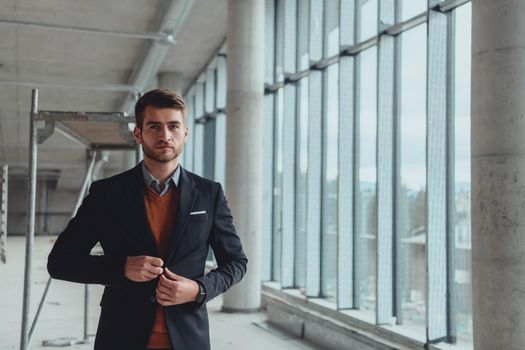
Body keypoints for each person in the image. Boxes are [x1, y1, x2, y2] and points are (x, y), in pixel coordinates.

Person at [47, 88, 248, 350]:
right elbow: (60, 262)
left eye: (173, 126)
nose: (165, 135)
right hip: (120, 337)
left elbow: (236, 262)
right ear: (138, 134)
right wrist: (121, 268)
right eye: (154, 126)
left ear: (185, 133)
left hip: (188, 339)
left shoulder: (210, 194)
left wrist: (198, 289)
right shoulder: (107, 193)